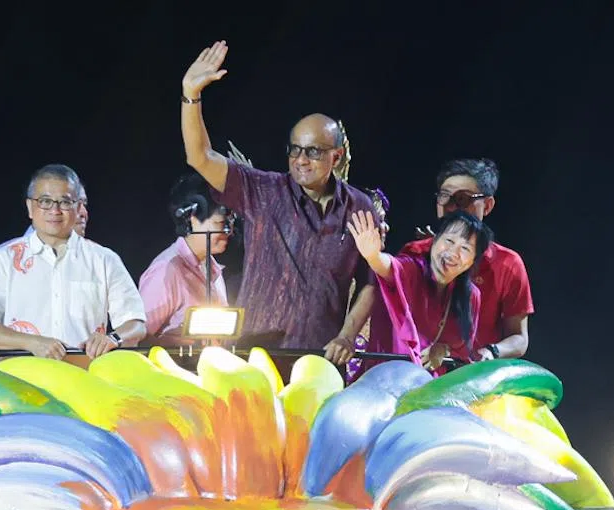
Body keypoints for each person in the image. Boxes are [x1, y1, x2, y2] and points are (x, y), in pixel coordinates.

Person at [179, 41, 382, 359]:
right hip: (255, 355)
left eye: (313, 151)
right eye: (294, 149)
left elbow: (370, 281)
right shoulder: (263, 191)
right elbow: (200, 157)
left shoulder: (359, 207)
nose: (301, 160)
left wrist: (346, 336)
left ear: (336, 156)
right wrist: (191, 95)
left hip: (321, 361)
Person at [0, 164, 146, 361]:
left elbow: (136, 324)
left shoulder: (104, 259)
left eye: (65, 202)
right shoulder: (3, 259)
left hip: (82, 379)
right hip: (18, 382)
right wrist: (32, 342)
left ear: (79, 206)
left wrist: (113, 338)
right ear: (30, 207)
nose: (55, 210)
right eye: (45, 201)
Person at [397, 159, 533, 360]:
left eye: (463, 199)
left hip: (472, 378)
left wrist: (492, 352)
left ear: (487, 205)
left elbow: (519, 337)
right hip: (416, 372)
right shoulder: (415, 252)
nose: (452, 207)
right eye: (445, 197)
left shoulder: (507, 263)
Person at [347, 210, 493, 373]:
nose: (453, 253)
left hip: (428, 388)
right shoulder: (412, 269)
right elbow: (389, 267)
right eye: (449, 241)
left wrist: (442, 349)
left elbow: (461, 352)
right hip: (382, 379)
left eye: (465, 248)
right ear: (434, 241)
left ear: (472, 261)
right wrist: (373, 256)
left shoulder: (471, 296)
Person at [137, 174, 233, 342]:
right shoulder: (166, 270)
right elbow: (138, 337)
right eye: (221, 224)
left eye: (230, 225)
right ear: (192, 219)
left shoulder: (213, 269)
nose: (229, 232)